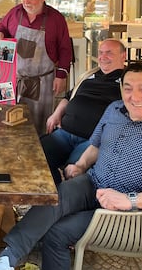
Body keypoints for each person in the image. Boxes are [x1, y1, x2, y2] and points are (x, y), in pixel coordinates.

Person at [0, 62, 142, 270]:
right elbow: (96, 145)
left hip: (138, 216)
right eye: (128, 88)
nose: (134, 97)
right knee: (56, 196)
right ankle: (8, 259)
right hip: (95, 184)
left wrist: (130, 200)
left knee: (57, 233)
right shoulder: (114, 109)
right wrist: (81, 165)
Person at [40, 38, 125, 185]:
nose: (103, 57)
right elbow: (68, 97)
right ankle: (51, 193)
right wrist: (56, 114)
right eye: (100, 52)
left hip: (92, 141)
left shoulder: (127, 80)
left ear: (123, 56)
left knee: (73, 174)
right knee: (36, 157)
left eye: (109, 53)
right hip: (64, 133)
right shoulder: (89, 76)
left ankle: (60, 197)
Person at [0, 0, 72, 135]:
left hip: (42, 81)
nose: (26, 1)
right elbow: (2, 26)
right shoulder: (15, 13)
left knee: (39, 124)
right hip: (15, 78)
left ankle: (39, 155)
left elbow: (65, 49)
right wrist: (0, 33)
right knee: (10, 119)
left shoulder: (56, 19)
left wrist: (61, 75)